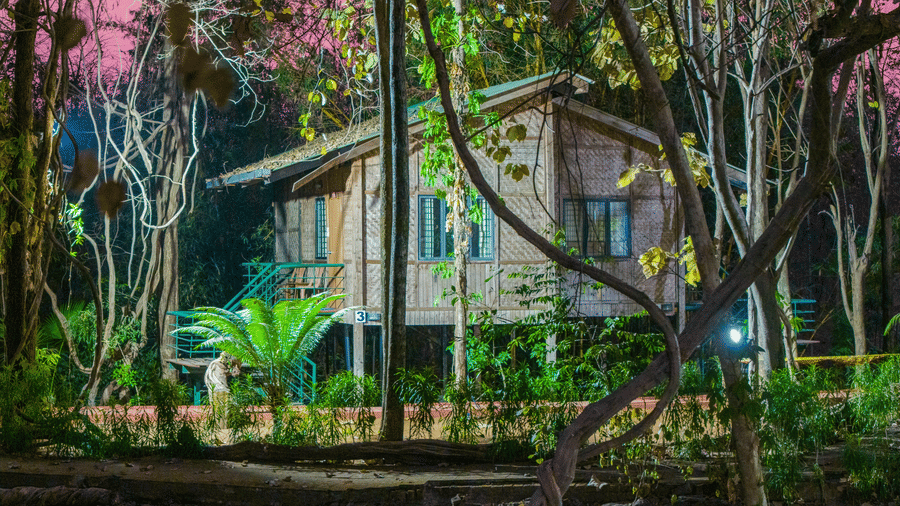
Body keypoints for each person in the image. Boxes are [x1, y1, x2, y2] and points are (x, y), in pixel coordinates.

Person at [205, 353, 240, 429]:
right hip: (217, 388)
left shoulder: (223, 364)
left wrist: (232, 371)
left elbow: (228, 373)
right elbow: (221, 376)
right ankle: (217, 424)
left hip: (220, 388)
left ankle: (223, 424)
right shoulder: (216, 364)